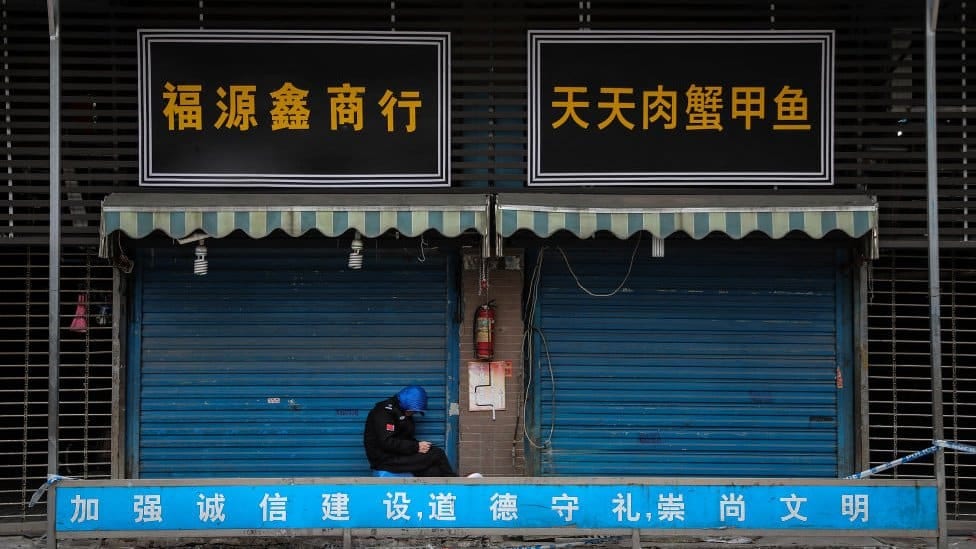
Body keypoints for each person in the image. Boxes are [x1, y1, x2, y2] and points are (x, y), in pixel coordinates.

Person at [363, 385, 457, 476]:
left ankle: (447, 489)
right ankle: (456, 485)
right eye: (413, 411)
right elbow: (387, 442)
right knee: (437, 453)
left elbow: (404, 438)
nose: (414, 413)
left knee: (433, 472)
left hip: (398, 456)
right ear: (406, 403)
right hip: (385, 460)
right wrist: (416, 446)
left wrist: (421, 446)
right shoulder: (383, 412)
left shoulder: (402, 413)